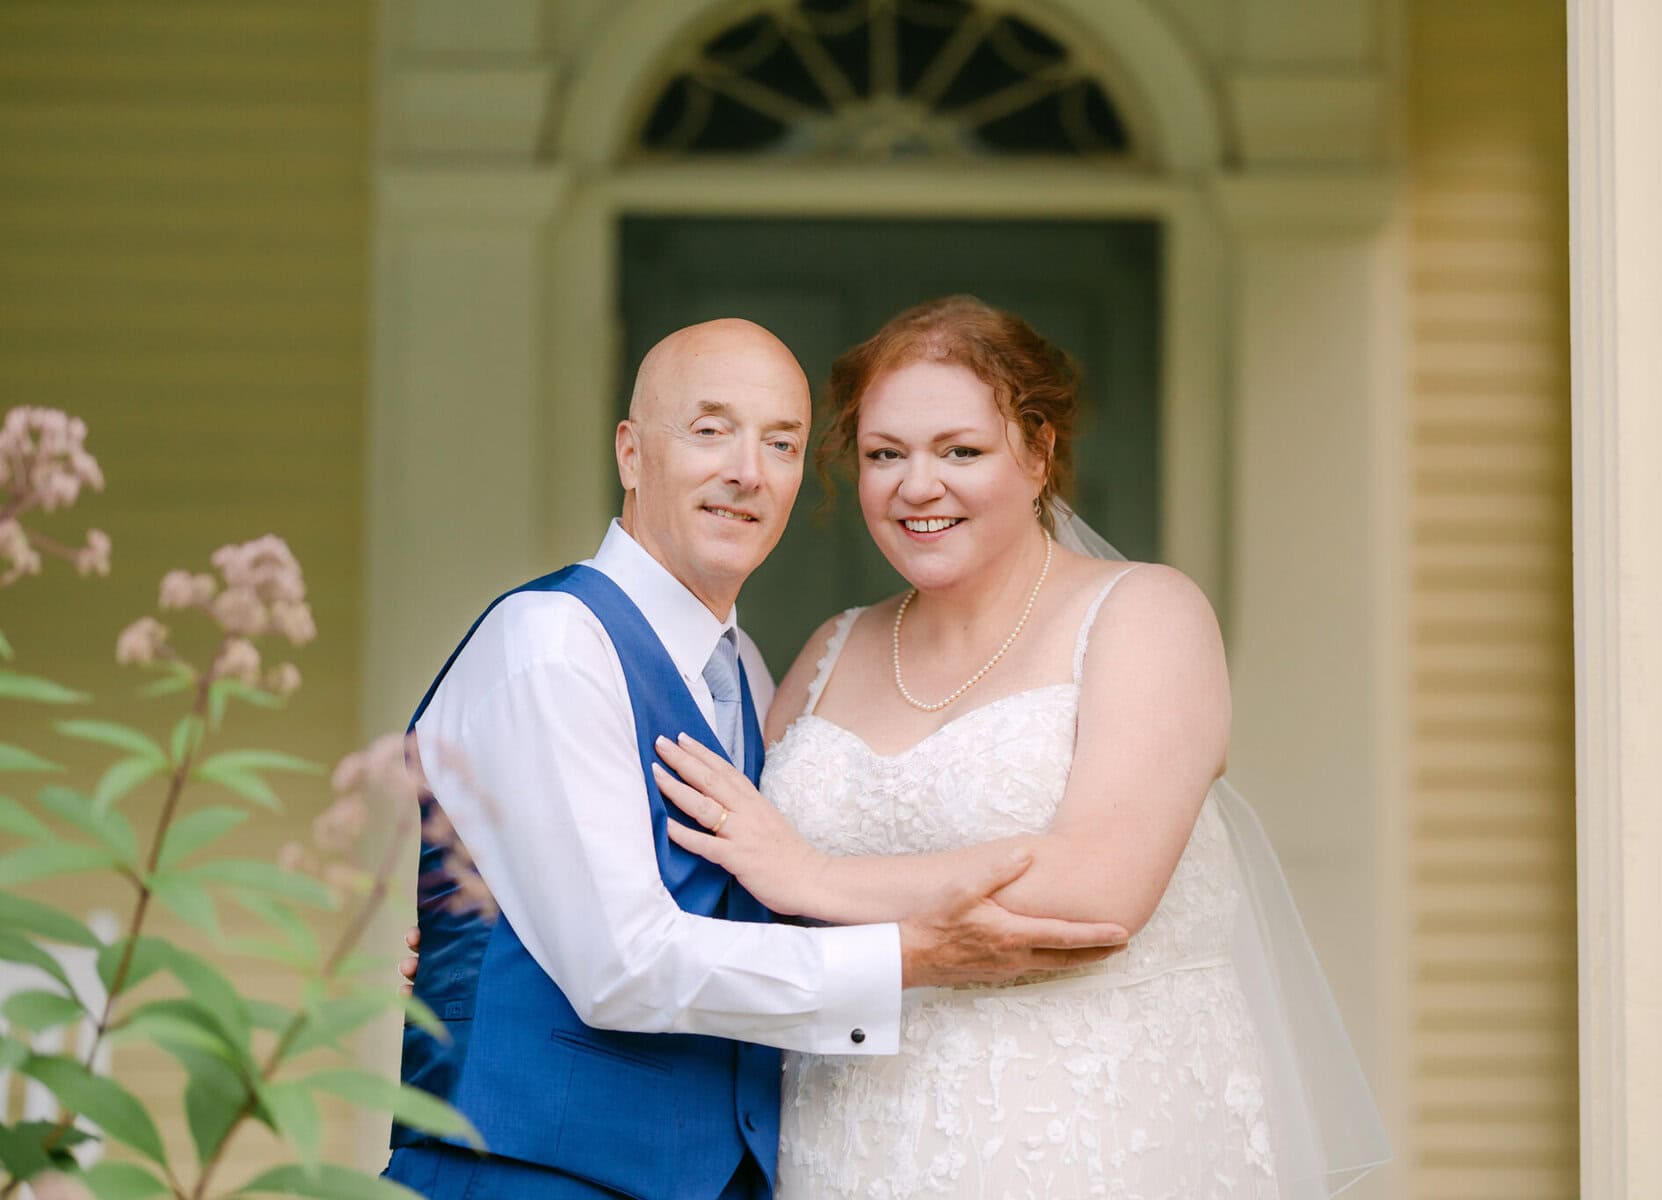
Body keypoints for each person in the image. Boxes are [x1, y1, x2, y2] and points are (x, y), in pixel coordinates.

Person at [645, 297, 1390, 1198]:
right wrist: (489, 934)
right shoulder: (827, 652)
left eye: (960, 451)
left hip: (1083, 1135)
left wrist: (816, 879)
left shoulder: (1146, 616)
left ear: (1037, 455)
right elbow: (718, 887)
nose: (918, 486)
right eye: (886, 455)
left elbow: (1096, 888)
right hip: (842, 1144)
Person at [381, 317, 1132, 1200]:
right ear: (631, 453)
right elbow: (621, 965)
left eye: (781, 443)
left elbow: (752, 897)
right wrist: (915, 955)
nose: (747, 470)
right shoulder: (552, 642)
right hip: (524, 1172)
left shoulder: (746, 672)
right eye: (710, 431)